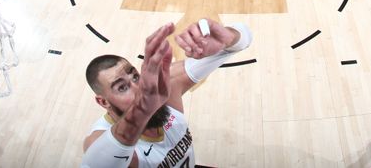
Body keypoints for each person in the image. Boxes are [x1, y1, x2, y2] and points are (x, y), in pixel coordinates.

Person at [81, 19, 252, 167]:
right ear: (103, 102)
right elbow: (96, 164)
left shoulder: (164, 88)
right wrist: (143, 109)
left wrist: (228, 38)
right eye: (122, 87)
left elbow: (243, 38)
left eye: (135, 76)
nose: (138, 87)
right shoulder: (99, 140)